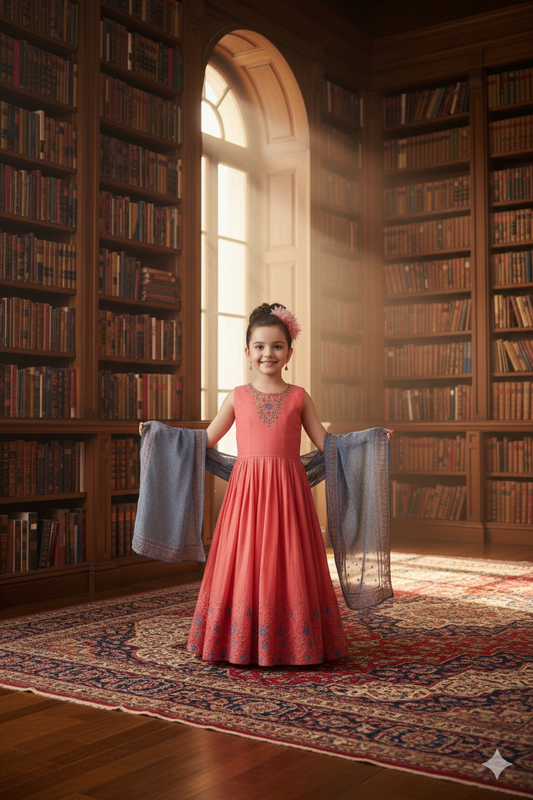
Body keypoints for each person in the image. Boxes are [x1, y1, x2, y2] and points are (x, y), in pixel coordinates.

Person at [139, 302, 393, 667]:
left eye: (276, 346)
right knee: (243, 562)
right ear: (247, 353)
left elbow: (328, 444)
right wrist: (157, 434)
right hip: (245, 498)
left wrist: (372, 441)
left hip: (290, 497)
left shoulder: (299, 397)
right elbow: (203, 440)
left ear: (289, 352)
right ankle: (238, 642)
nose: (267, 353)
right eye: (259, 346)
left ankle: (295, 643)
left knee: (289, 562)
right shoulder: (237, 397)